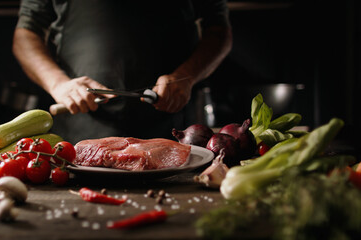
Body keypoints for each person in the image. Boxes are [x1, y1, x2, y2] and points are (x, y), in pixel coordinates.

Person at [13, 0, 232, 144]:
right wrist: (58, 83)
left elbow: (219, 29)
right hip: (79, 134)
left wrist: (187, 76)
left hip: (173, 131)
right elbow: (26, 33)